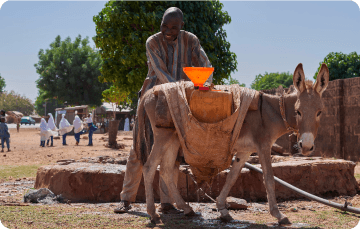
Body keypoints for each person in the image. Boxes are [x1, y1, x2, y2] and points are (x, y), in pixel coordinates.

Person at [114, 7, 213, 214]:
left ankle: (166, 202)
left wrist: (206, 85)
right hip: (154, 99)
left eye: (174, 27)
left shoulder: (191, 40)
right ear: (160, 24)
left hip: (180, 102)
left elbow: (205, 66)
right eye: (165, 26)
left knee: (173, 150)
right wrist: (180, 91)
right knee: (139, 148)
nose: (168, 30)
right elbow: (161, 72)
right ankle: (126, 199)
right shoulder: (152, 42)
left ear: (181, 26)